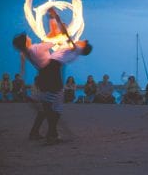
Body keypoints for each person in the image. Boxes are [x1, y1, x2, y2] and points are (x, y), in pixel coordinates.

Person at [13, 11, 92, 144]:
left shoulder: (74, 49)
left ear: (83, 46)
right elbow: (56, 36)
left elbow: (60, 35)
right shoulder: (40, 48)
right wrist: (54, 20)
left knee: (48, 106)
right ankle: (52, 134)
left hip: (47, 73)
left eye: (83, 41)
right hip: (51, 72)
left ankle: (47, 133)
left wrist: (56, 19)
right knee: (53, 106)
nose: (82, 39)